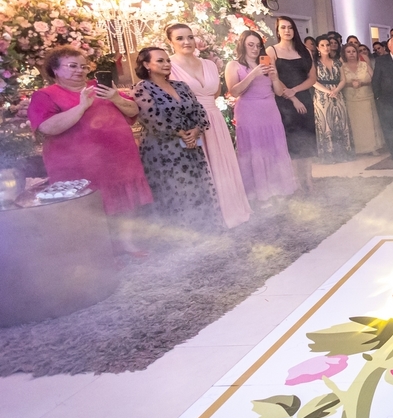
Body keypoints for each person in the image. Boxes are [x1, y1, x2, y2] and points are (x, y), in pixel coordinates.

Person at [28, 46, 153, 254]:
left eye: (83, 66)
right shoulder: (45, 95)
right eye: (72, 66)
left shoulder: (100, 87)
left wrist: (116, 97)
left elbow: (133, 111)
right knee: (88, 205)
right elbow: (48, 127)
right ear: (55, 69)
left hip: (120, 157)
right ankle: (97, 251)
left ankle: (125, 243)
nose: (80, 70)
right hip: (77, 164)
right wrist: (81, 106)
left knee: (126, 199)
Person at [166, 23, 251, 228]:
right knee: (201, 167)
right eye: (179, 38)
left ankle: (231, 209)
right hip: (190, 123)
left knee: (222, 164)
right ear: (170, 42)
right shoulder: (168, 66)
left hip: (214, 119)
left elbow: (215, 92)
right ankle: (211, 216)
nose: (186, 42)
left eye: (190, 37)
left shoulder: (209, 64)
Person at [132, 46, 220, 230]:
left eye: (167, 60)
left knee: (195, 186)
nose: (166, 64)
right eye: (160, 61)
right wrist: (180, 133)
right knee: (173, 191)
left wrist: (195, 130)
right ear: (146, 65)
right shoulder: (142, 88)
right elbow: (151, 117)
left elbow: (199, 110)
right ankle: (181, 234)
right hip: (163, 150)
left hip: (190, 147)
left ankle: (202, 228)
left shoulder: (181, 86)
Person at [223, 30, 297, 200]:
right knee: (254, 150)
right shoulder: (233, 65)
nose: (255, 49)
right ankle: (258, 193)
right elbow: (234, 92)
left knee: (274, 148)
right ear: (242, 45)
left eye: (258, 45)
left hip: (270, 111)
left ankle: (278, 189)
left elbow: (279, 92)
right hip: (248, 112)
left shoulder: (266, 63)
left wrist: (275, 77)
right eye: (251, 45)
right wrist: (253, 74)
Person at [268, 17, 317, 192]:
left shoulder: (305, 51)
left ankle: (308, 179)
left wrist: (295, 90)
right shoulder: (272, 51)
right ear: (277, 30)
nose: (287, 31)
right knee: (293, 142)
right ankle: (296, 182)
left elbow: (313, 78)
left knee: (308, 139)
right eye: (283, 27)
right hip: (285, 102)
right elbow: (273, 78)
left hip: (304, 98)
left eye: (290, 27)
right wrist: (292, 97)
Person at [311, 36, 354, 164]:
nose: (326, 47)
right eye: (322, 45)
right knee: (326, 124)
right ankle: (329, 155)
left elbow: (343, 79)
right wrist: (328, 91)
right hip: (322, 96)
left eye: (328, 45)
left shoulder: (337, 61)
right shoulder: (314, 63)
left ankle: (343, 153)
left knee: (341, 122)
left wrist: (336, 90)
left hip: (338, 94)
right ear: (318, 48)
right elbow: (313, 81)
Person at [340, 44, 385, 155]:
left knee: (369, 123)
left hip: (366, 97)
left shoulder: (364, 64)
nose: (351, 54)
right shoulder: (342, 66)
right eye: (348, 52)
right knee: (355, 124)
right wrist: (350, 84)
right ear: (344, 54)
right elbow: (339, 82)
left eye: (353, 51)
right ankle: (358, 149)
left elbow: (375, 79)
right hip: (350, 99)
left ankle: (373, 147)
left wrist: (362, 82)